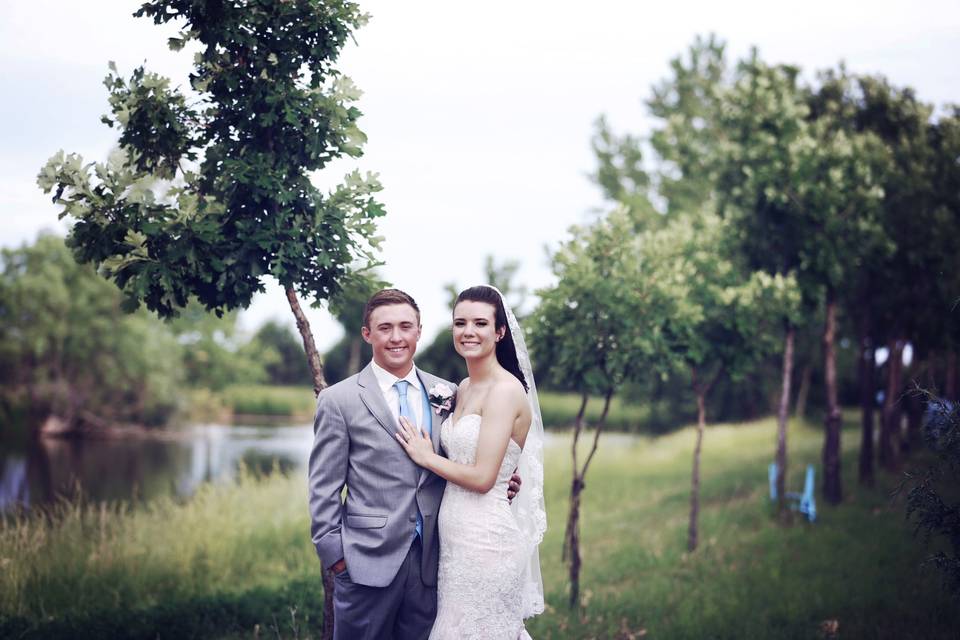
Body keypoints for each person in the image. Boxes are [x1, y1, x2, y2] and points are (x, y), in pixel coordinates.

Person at [308, 288, 521, 640]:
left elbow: (469, 454)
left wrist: (504, 480)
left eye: (406, 326)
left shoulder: (449, 392)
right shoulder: (338, 400)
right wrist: (337, 558)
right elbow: (323, 488)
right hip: (365, 563)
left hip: (434, 563)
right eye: (385, 328)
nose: (396, 337)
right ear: (367, 334)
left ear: (419, 331)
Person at [395, 285, 546, 640]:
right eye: (460, 322)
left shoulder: (505, 391)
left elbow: (481, 477)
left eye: (480, 323)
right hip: (456, 543)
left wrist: (427, 457)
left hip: (487, 542)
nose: (469, 331)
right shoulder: (462, 387)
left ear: (500, 332)